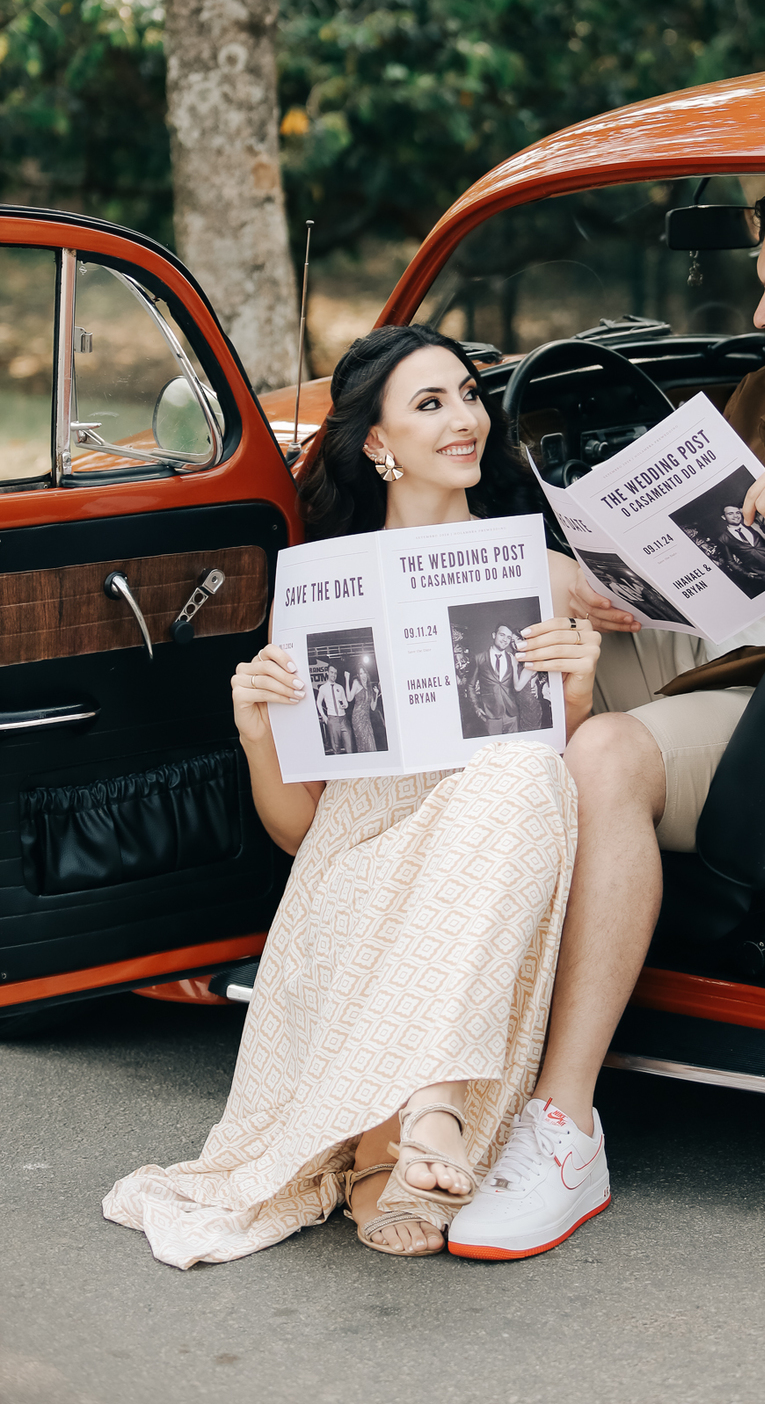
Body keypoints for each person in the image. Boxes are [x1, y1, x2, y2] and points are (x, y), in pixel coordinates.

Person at [102, 324, 603, 1268]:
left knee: (522, 771)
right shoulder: (324, 591)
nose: (466, 420)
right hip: (362, 854)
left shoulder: (535, 572)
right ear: (376, 443)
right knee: (495, 787)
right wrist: (257, 735)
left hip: (496, 841)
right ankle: (412, 1131)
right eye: (430, 404)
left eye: (467, 394)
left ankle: (424, 1113)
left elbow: (568, 787)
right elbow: (301, 831)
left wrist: (574, 690)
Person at [446, 172, 765, 1261]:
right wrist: (602, 577)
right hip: (689, 636)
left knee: (601, 751)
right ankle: (435, 1041)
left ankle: (564, 1124)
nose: (759, 316)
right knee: (502, 638)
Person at [469, 623, 521, 733]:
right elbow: (470, 685)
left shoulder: (512, 658)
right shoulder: (479, 658)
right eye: (502, 635)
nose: (505, 640)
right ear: (494, 635)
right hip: (490, 715)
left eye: (508, 637)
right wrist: (476, 708)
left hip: (511, 714)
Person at [315, 664, 353, 753]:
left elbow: (346, 703)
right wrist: (323, 716)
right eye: (332, 672)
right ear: (327, 673)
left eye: (335, 673)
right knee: (336, 748)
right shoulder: (323, 688)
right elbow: (318, 702)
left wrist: (344, 705)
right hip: (332, 719)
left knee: (349, 746)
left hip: (343, 719)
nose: (334, 675)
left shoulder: (340, 687)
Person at [346, 658, 379, 754]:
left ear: (366, 674)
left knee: (370, 742)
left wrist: (376, 694)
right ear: (358, 675)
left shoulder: (369, 687)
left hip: (366, 720)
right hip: (357, 719)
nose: (363, 675)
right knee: (363, 743)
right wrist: (347, 680)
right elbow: (349, 698)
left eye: (364, 673)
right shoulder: (356, 683)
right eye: (360, 673)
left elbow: (373, 707)